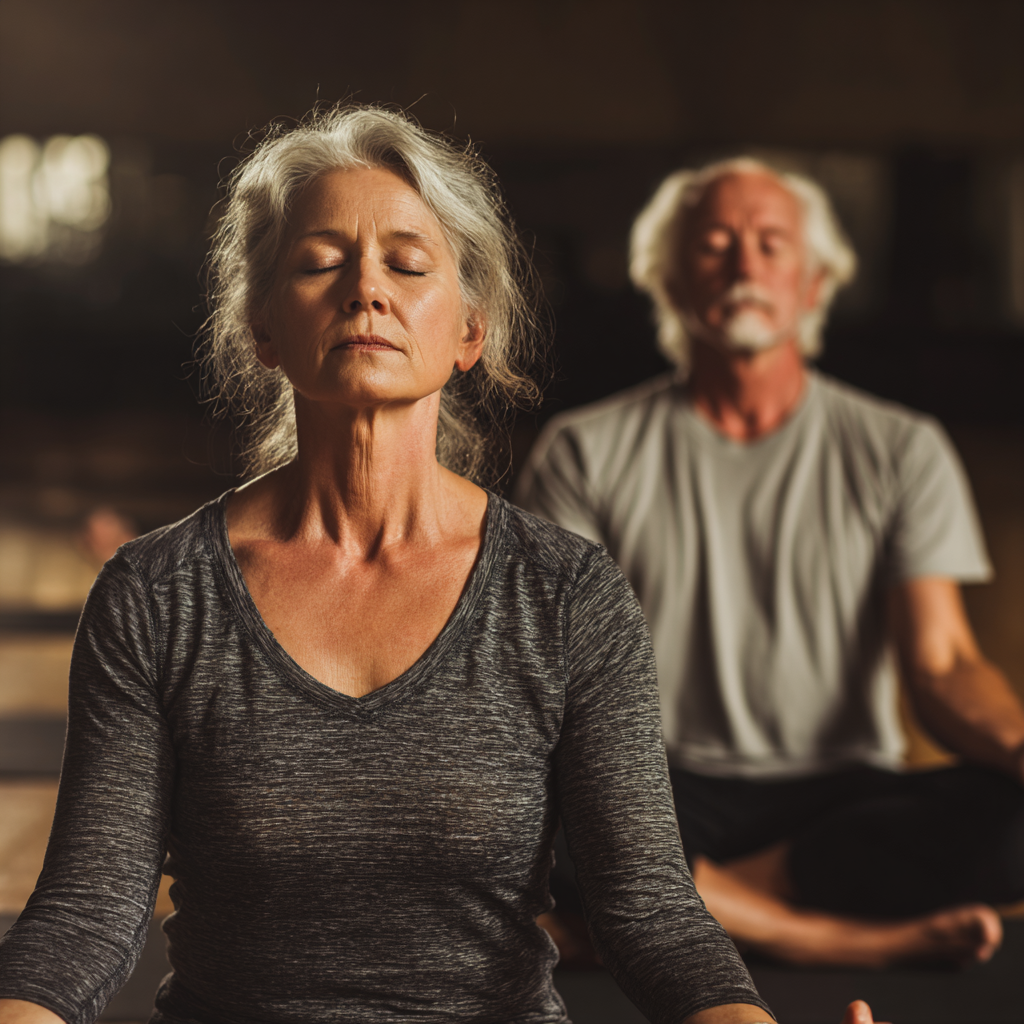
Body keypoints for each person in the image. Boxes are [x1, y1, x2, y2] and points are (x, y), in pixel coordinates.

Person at [0, 106, 788, 1024]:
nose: (365, 288)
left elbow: (649, 913)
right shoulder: (156, 596)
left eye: (409, 265)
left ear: (468, 333)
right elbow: (88, 916)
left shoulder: (567, 594)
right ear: (262, 330)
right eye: (320, 263)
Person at [516, 157, 1024, 969]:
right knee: (519, 801)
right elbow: (554, 680)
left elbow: (945, 662)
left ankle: (674, 912)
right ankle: (832, 939)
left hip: (842, 800)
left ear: (816, 283)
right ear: (668, 281)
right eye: (715, 244)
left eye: (771, 244)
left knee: (1009, 821)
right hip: (659, 790)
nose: (745, 264)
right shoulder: (584, 451)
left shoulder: (903, 447)